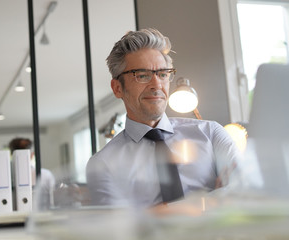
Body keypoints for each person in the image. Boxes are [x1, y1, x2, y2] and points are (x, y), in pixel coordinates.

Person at [86, 28, 242, 208]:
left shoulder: (211, 134)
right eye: (142, 75)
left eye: (162, 74)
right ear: (117, 88)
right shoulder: (103, 165)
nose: (157, 84)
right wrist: (212, 200)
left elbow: (245, 192)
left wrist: (158, 212)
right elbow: (119, 230)